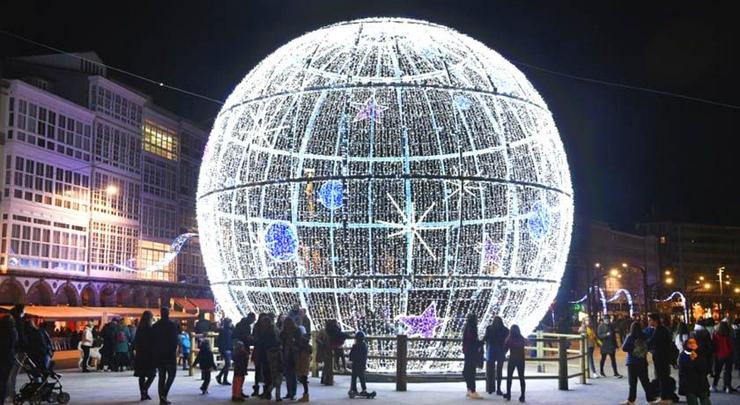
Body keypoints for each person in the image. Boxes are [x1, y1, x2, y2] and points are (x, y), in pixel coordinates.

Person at [152, 307, 179, 405]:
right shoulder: (172, 325)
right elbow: (174, 341)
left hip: (159, 355)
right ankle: (164, 394)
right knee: (172, 375)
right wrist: (173, 351)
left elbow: (153, 342)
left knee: (161, 377)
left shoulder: (155, 326)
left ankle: (162, 398)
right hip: (169, 355)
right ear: (168, 314)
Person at [621, 321, 651, 405]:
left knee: (632, 383)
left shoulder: (630, 337)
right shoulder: (644, 336)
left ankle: (631, 400)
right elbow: (648, 347)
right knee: (645, 382)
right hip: (642, 362)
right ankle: (650, 400)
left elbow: (624, 348)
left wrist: (632, 348)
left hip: (632, 362)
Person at [647, 313, 674, 403]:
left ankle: (664, 398)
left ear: (655, 321)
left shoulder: (659, 330)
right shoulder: (662, 329)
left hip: (661, 357)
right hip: (663, 357)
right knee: (663, 377)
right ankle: (665, 397)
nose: (649, 321)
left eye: (650, 320)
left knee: (661, 377)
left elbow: (652, 342)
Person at [679, 338, 711, 405]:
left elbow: (683, 371)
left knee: (697, 399)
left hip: (692, 382)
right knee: (702, 398)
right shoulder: (700, 354)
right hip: (697, 382)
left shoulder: (684, 355)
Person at [134, 311, 157, 401]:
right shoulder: (151, 329)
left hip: (140, 355)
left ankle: (143, 393)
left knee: (142, 375)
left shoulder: (139, 329)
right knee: (152, 374)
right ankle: (145, 390)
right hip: (149, 355)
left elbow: (136, 342)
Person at [484, 315, 509, 394]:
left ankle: (490, 388)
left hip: (491, 350)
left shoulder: (489, 328)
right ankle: (498, 388)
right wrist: (505, 350)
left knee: (490, 370)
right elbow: (507, 341)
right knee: (499, 371)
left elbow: (486, 338)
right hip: (500, 350)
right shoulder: (505, 330)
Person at [503, 324, 528, 402]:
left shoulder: (509, 339)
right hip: (521, 359)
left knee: (509, 377)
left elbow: (505, 349)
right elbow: (526, 343)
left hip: (512, 359)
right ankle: (523, 395)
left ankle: (508, 394)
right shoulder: (522, 339)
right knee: (521, 378)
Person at [462, 313, 482, 399]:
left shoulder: (466, 328)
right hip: (472, 352)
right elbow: (474, 341)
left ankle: (469, 389)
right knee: (471, 371)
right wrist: (480, 342)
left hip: (467, 352)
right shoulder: (473, 328)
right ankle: (472, 391)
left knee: (467, 370)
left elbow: (466, 341)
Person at [711, 321, 734, 392]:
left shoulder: (715, 334)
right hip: (728, 355)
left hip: (718, 355)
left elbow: (714, 344)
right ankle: (727, 386)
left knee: (717, 371)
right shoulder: (729, 334)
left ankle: (714, 385)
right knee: (728, 371)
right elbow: (731, 344)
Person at [280, 318, 300, 400]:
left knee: (292, 375)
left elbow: (299, 341)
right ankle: (289, 392)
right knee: (289, 375)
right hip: (287, 354)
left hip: (292, 354)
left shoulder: (296, 331)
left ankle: (292, 392)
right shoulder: (284, 332)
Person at [0, 313, 18, 405]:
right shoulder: (13, 331)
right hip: (9, 358)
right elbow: (14, 343)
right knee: (4, 380)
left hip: (2, 357)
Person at [348, 330, 372, 398]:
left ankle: (353, 389)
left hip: (355, 364)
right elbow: (365, 356)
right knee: (362, 377)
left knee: (354, 377)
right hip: (362, 364)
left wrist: (351, 360)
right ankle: (364, 389)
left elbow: (351, 356)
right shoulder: (365, 346)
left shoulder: (355, 346)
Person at [216, 318, 234, 386]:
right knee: (228, 364)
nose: (231, 324)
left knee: (228, 364)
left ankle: (221, 377)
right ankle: (223, 378)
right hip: (225, 349)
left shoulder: (229, 331)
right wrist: (223, 350)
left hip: (228, 349)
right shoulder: (223, 331)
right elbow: (221, 342)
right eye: (230, 323)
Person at [295, 333, 312, 402]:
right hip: (305, 366)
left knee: (304, 381)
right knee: (304, 380)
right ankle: (305, 395)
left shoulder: (303, 350)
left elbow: (302, 360)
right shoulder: (308, 349)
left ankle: (305, 395)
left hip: (303, 366)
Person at [317, 321, 334, 386]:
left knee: (327, 365)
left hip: (327, 349)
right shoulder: (324, 331)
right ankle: (328, 380)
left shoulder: (325, 331)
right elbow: (318, 339)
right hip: (326, 349)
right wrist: (323, 344)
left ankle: (326, 379)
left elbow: (317, 339)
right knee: (328, 365)